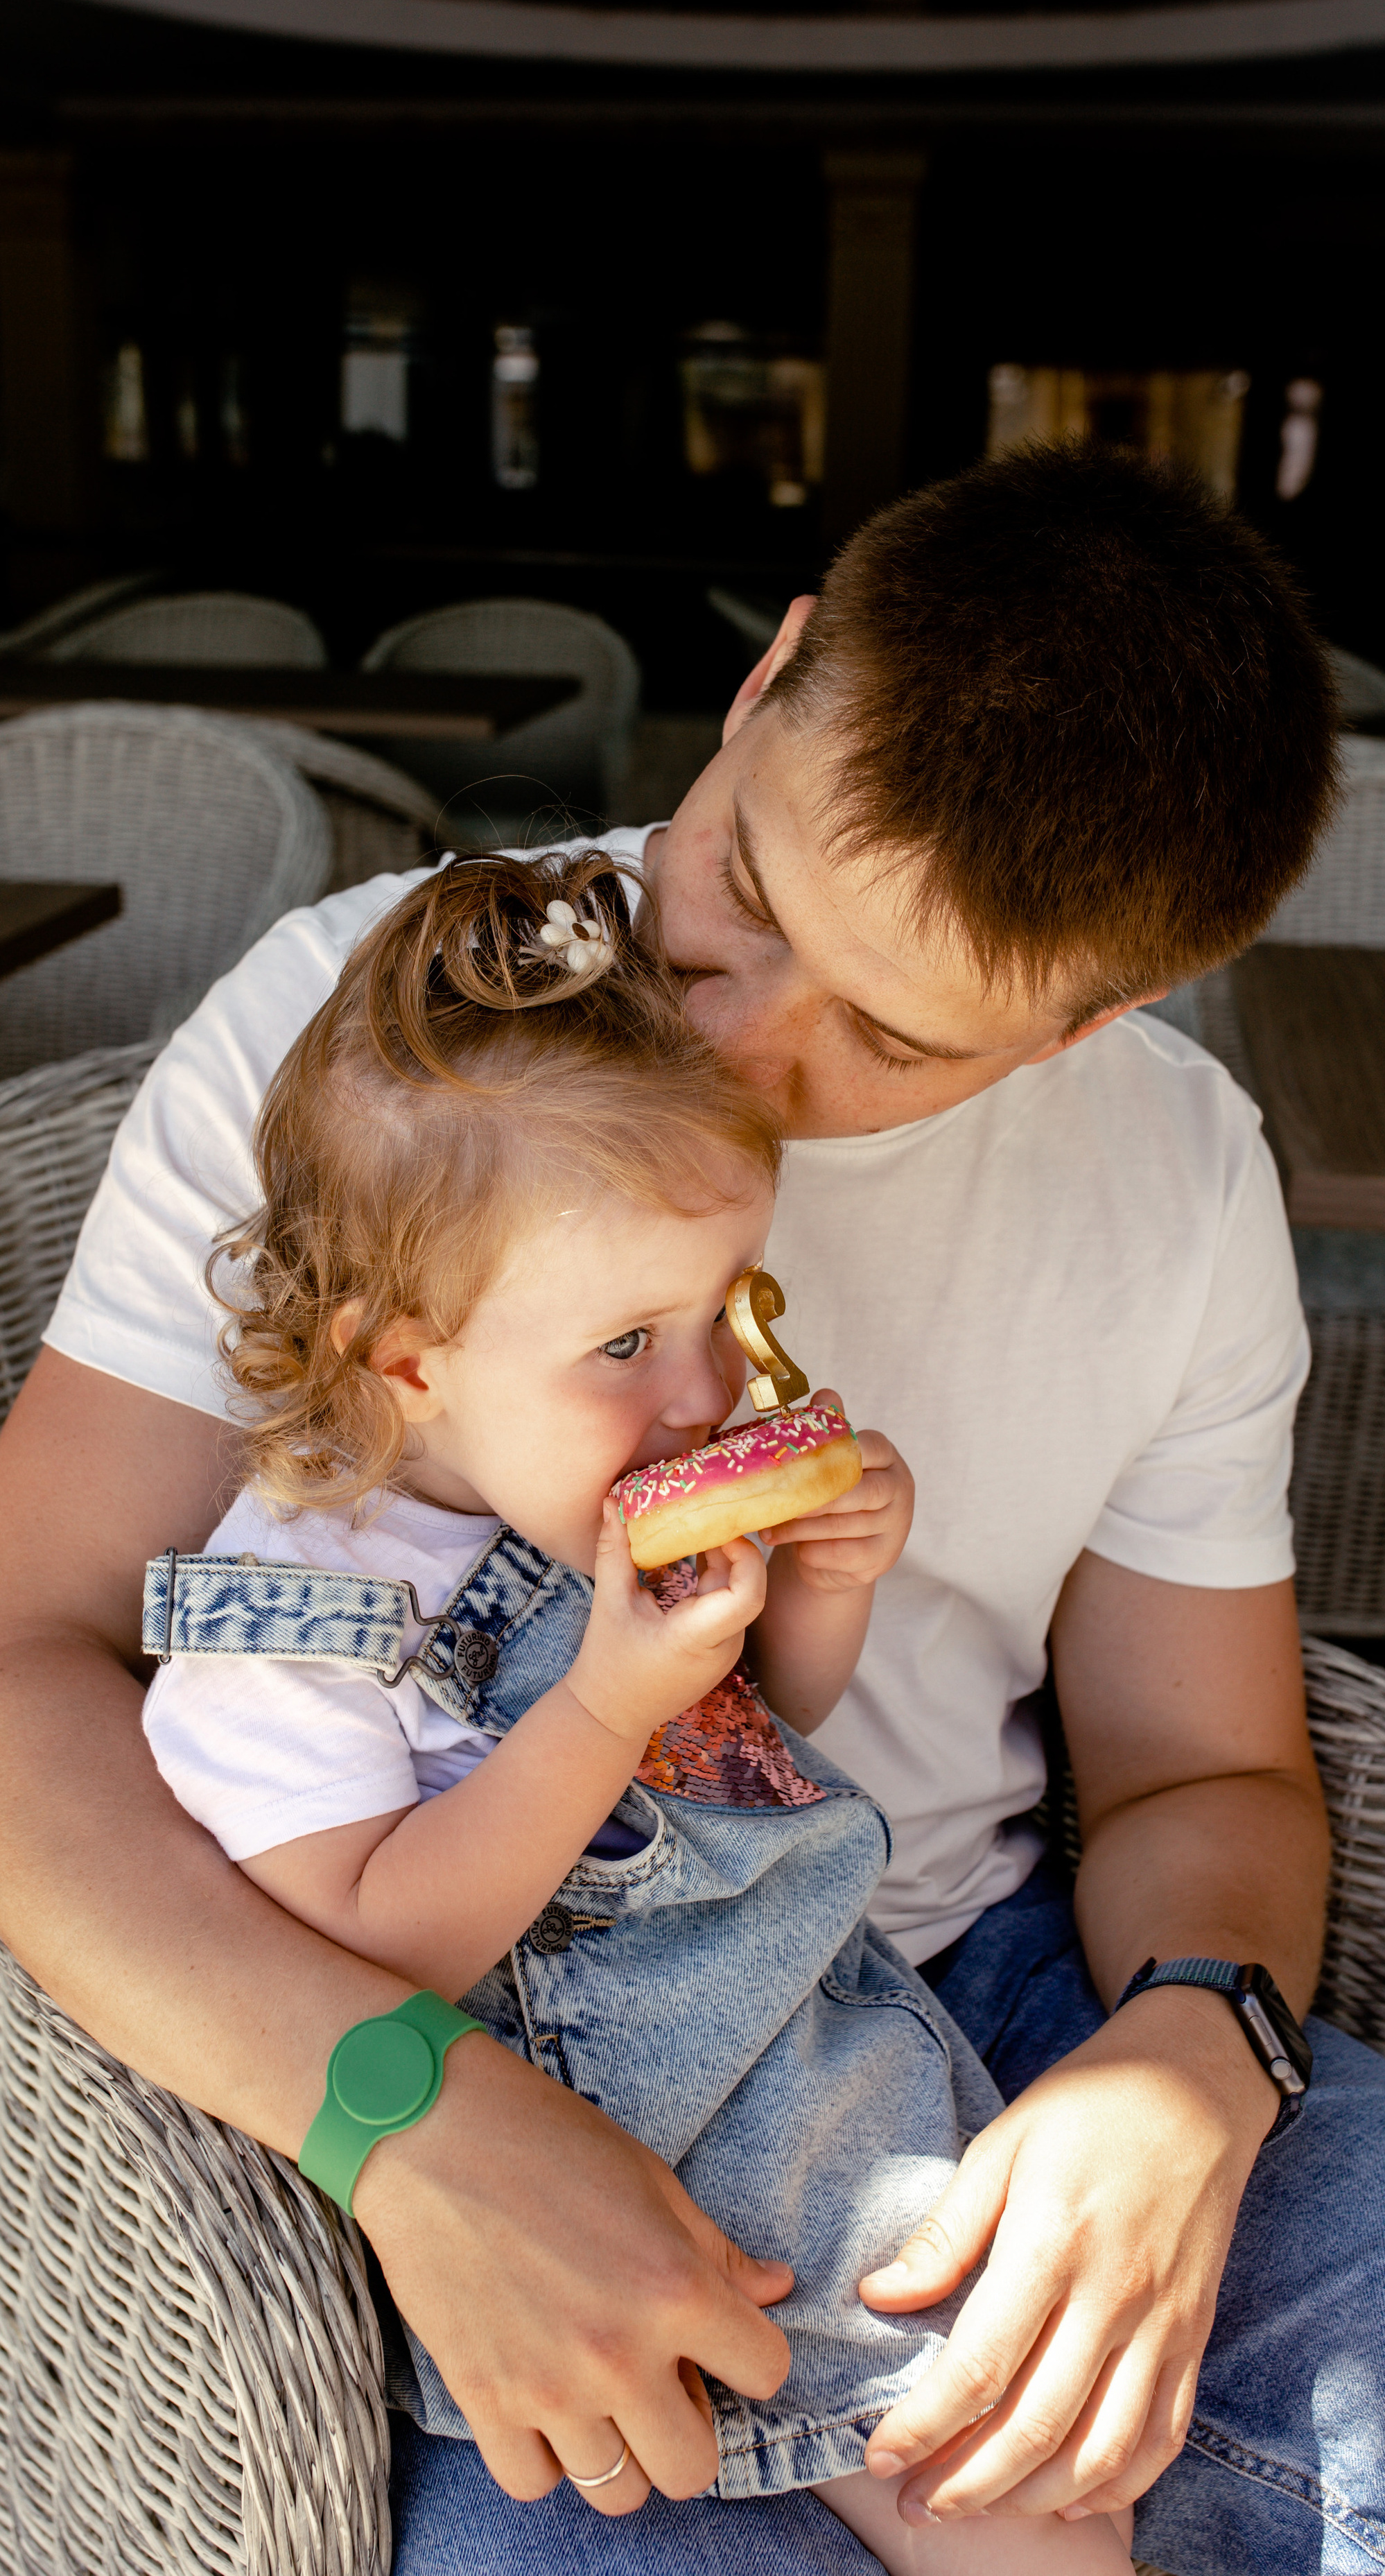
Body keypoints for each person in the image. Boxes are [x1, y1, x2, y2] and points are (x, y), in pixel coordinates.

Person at [0, 444, 1385, 2573]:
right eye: (748, 897)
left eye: (886, 1034)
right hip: (515, 2036)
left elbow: (1208, 1762)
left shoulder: (1181, 1171)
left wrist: (1196, 2058)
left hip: (995, 1978)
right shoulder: (382, 1045)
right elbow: (3, 1710)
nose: (743, 1057)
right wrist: (411, 2116)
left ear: (1091, 1021)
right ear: (769, 678)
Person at [139, 843, 1133, 2569]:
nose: (697, 1394)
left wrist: (817, 1595)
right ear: (404, 1360)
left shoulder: (589, 1490)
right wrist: (601, 1701)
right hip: (656, 2190)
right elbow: (386, 1947)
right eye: (623, 1344)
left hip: (847, 2075)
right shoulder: (287, 1626)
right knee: (1035, 2514)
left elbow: (752, 1754)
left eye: (722, 1312)